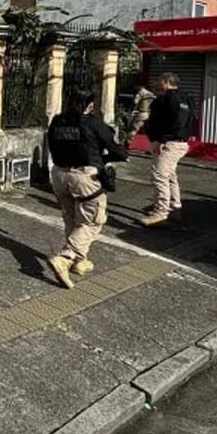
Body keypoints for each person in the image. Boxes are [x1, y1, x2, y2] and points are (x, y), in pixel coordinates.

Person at [46, 90, 129, 289]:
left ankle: (78, 261)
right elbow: (118, 150)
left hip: (59, 175)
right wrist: (108, 157)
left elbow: (52, 145)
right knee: (93, 221)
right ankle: (65, 258)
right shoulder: (94, 123)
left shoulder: (57, 121)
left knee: (72, 219)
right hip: (84, 177)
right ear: (90, 105)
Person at [140, 73, 195, 227]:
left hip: (168, 143)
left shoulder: (169, 99)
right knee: (170, 175)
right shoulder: (187, 99)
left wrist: (162, 139)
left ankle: (161, 212)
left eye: (159, 80)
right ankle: (174, 206)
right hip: (180, 142)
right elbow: (187, 120)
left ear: (166, 82)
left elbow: (176, 121)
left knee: (159, 176)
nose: (156, 83)